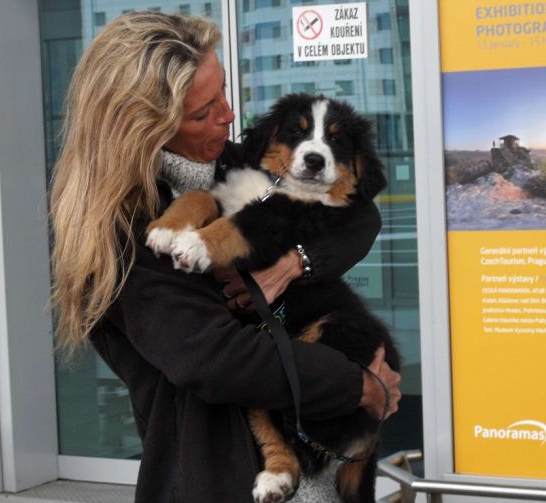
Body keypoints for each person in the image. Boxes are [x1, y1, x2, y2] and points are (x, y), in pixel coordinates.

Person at [49, 11, 401, 503]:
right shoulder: (123, 229)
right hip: (217, 475)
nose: (228, 114)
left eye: (222, 92)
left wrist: (292, 263)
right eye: (203, 111)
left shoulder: (237, 164)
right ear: (142, 128)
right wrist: (358, 386)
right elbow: (214, 359)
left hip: (320, 473)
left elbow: (358, 215)